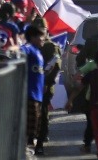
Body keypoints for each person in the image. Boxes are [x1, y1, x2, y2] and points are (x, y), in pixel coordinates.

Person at [32, 17, 62, 155]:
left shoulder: (51, 47)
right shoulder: (29, 46)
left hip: (44, 86)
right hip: (31, 86)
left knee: (42, 114)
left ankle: (40, 143)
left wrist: (46, 83)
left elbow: (55, 68)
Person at [20, 24, 46, 152]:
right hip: (29, 95)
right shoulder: (29, 48)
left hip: (38, 96)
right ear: (33, 37)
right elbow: (21, 50)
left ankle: (27, 151)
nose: (43, 39)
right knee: (27, 128)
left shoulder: (38, 52)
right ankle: (24, 152)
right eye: (41, 36)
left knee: (34, 128)